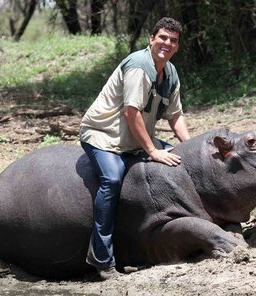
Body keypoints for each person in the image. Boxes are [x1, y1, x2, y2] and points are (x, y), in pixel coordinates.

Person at [79, 17, 191, 280]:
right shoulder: (140, 67)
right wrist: (152, 151)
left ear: (177, 46)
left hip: (134, 140)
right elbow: (131, 112)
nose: (167, 43)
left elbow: (176, 116)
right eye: (162, 37)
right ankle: (101, 257)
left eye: (173, 40)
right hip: (104, 137)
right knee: (113, 178)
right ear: (151, 39)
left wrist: (189, 146)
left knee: (178, 160)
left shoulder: (170, 73)